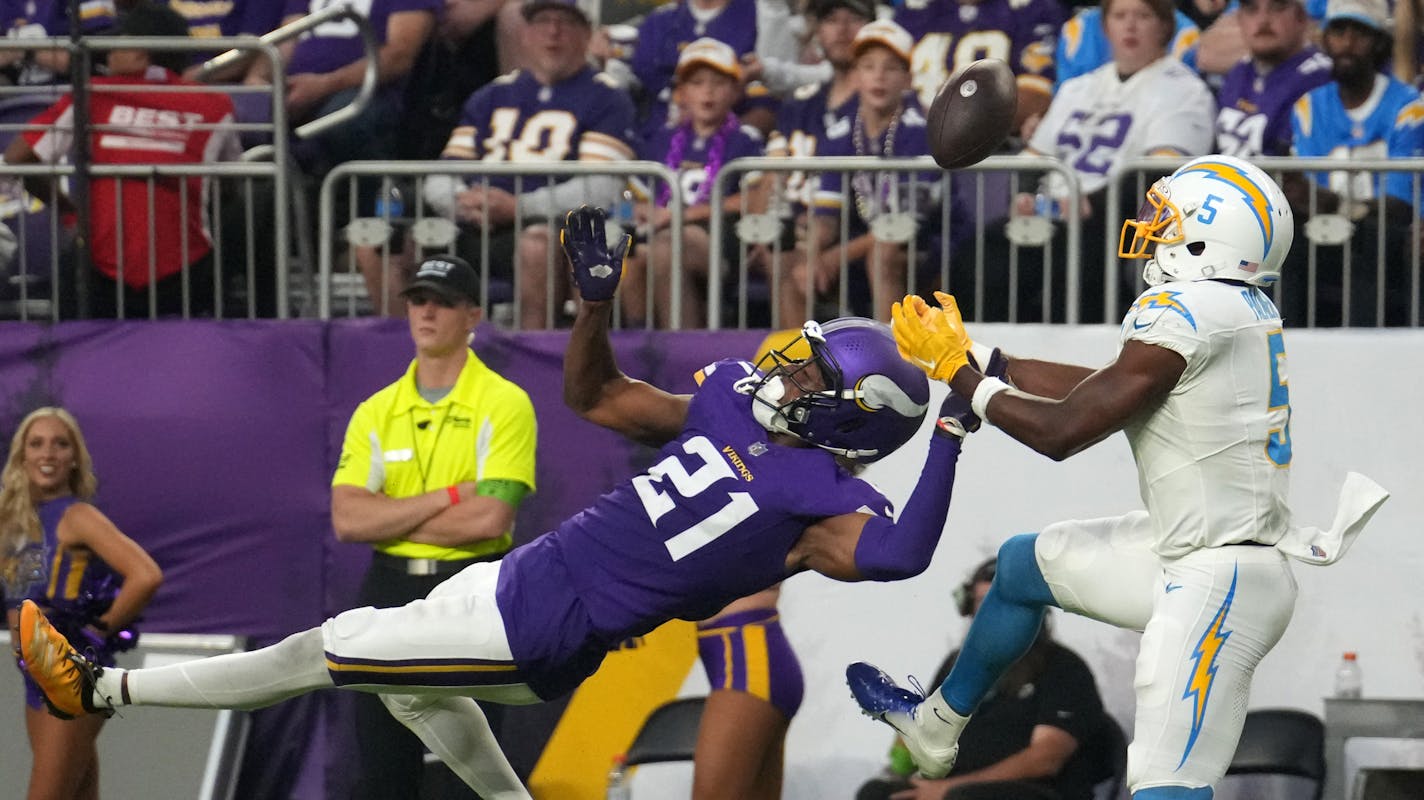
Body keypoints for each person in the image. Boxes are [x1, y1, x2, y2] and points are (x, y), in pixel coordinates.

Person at [17, 205, 977, 800]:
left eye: (810, 371)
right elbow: (597, 397)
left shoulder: (820, 498)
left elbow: (900, 556)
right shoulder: (730, 400)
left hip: (548, 625)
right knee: (403, 688)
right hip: (526, 580)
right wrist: (593, 308)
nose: (785, 363)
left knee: (324, 651)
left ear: (852, 419)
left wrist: (952, 426)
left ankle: (101, 688)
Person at [847, 155, 1390, 798]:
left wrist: (962, 379)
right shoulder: (1234, 306)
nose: (1153, 230)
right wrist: (988, 360)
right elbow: (1109, 391)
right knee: (1024, 568)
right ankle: (937, 724)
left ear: (1205, 240)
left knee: (1165, 785)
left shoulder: (1186, 309)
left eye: (1169, 220)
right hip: (1189, 555)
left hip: (1220, 583)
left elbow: (1064, 433)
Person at [330, 253, 537, 800]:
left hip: (470, 587)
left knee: (476, 764)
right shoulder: (377, 409)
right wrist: (447, 497)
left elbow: (490, 518)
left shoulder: (504, 403)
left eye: (443, 302)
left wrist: (391, 518)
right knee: (382, 760)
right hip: (389, 587)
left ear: (472, 315)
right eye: (419, 299)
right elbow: (348, 520)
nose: (427, 312)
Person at [1, 1, 241, 319]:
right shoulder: (216, 104)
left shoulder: (94, 94)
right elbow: (231, 184)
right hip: (187, 269)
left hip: (101, 271)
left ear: (141, 52)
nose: (107, 51)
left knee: (79, 334)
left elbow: (17, 157)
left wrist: (70, 213)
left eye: (117, 41)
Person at [982, 0, 1215, 324]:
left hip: (1117, 221)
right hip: (1052, 212)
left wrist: (1092, 205)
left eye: (1143, 15)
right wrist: (1022, 196)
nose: (1130, 25)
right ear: (1106, 27)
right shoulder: (1078, 87)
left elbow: (1158, 175)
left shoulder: (1186, 90)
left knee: (1080, 255)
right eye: (1120, 16)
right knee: (982, 252)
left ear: (1165, 26)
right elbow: (1034, 158)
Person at [414, 0, 637, 328]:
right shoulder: (491, 96)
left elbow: (601, 187)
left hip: (552, 226)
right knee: (389, 242)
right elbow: (443, 173)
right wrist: (463, 203)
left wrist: (520, 206)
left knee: (536, 244)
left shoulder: (607, 98)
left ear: (586, 34)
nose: (553, 32)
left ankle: (534, 359)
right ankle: (392, 355)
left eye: (565, 22)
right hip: (479, 222)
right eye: (542, 22)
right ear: (524, 34)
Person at [2, 407, 163, 800]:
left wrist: (98, 631)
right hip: (34, 676)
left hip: (69, 674)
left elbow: (146, 574)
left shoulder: (78, 516)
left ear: (74, 457)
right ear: (22, 455)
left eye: (61, 444)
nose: (48, 453)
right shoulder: (14, 524)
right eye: (36, 444)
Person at [856, 558, 1112, 800]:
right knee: (877, 793)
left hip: (1034, 792)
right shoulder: (955, 664)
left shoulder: (1064, 667)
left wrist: (947, 789)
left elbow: (1045, 758)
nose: (991, 614)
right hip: (956, 789)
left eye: (1001, 603)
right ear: (968, 606)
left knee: (963, 798)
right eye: (982, 602)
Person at [783, 19, 937, 325]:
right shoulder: (841, 133)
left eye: (890, 68)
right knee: (793, 268)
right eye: (868, 66)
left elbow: (902, 226)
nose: (878, 77)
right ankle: (796, 368)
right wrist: (812, 255)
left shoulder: (920, 132)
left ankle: (890, 361)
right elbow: (826, 215)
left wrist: (834, 256)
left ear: (907, 78)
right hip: (862, 241)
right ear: (855, 75)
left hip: (927, 246)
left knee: (884, 253)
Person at [1287, 0, 1422, 327]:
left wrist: (1340, 205)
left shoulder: (1409, 107)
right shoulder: (1308, 107)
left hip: (1390, 241)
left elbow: (1401, 206)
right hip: (1322, 236)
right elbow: (1308, 195)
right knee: (1283, 242)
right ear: (1326, 39)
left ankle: (1367, 354)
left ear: (1378, 41)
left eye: (1359, 33)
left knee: (1374, 236)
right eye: (1338, 31)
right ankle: (1281, 343)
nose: (1347, 43)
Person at [623, 37, 766, 329]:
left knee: (666, 246)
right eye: (698, 83)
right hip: (660, 232)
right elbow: (629, 196)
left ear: (736, 91)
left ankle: (683, 349)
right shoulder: (660, 139)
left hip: (719, 237)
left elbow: (753, 199)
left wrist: (682, 216)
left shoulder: (746, 140)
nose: (708, 92)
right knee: (631, 255)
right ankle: (638, 344)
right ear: (682, 93)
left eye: (718, 83)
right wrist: (634, 212)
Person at [894, 0, 1065, 139]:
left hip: (993, 151)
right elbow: (885, 82)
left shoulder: (1031, 8)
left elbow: (1036, 94)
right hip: (912, 144)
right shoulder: (912, 11)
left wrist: (964, 122)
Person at [1214, 0, 1331, 158]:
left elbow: (1297, 175)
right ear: (1240, 20)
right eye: (1251, 9)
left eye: (1278, 7)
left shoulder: (1319, 78)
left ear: (1301, 18)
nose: (1263, 20)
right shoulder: (1240, 71)